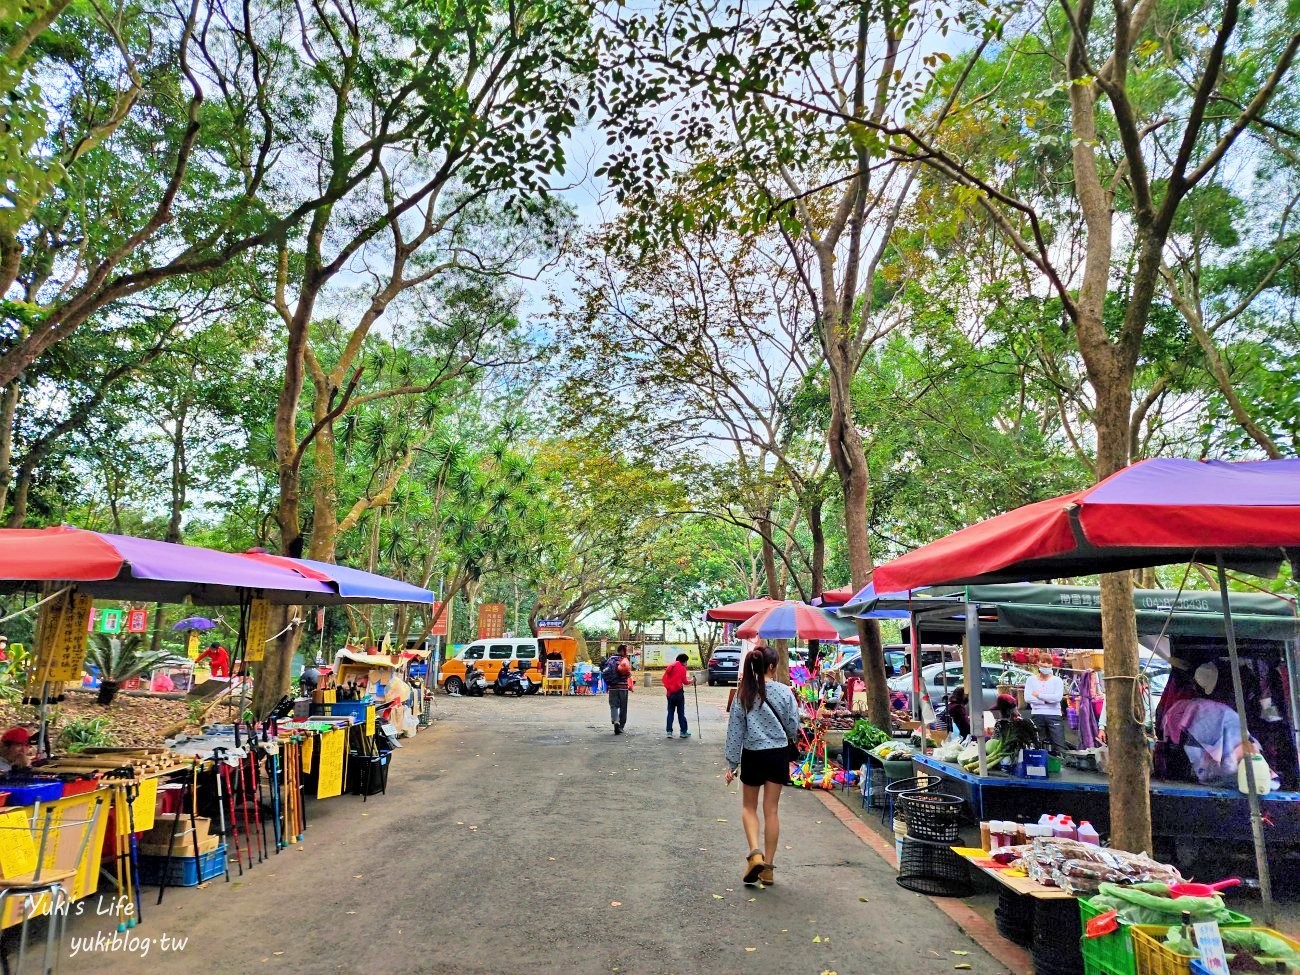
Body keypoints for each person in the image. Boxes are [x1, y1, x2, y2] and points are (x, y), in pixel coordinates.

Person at [723, 645, 800, 888]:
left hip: (753, 754)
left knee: (748, 807)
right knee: (772, 811)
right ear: (770, 667)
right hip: (777, 754)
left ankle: (755, 853)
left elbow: (735, 731)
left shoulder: (744, 693)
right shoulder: (785, 692)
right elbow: (792, 726)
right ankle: (768, 870)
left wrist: (732, 764)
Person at [1024, 660, 1066, 755]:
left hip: (1054, 714)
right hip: (1037, 713)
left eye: (1048, 665)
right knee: (1037, 743)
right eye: (1043, 665)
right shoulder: (1031, 680)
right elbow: (1027, 698)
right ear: (1038, 665)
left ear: (1051, 666)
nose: (1046, 667)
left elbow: (1057, 698)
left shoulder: (1057, 680)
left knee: (1059, 744)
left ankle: (1060, 763)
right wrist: (1047, 700)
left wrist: (1038, 695)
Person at [662, 652, 693, 739]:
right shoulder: (682, 668)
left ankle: (669, 732)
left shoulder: (670, 667)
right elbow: (685, 682)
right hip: (679, 693)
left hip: (669, 693)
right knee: (681, 713)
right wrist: (692, 681)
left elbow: (665, 679)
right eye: (686, 662)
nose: (687, 664)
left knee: (670, 713)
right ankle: (683, 731)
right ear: (683, 661)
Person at [603, 644, 633, 734]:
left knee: (614, 706)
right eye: (626, 650)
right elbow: (628, 673)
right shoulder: (624, 660)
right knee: (623, 707)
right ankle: (621, 726)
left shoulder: (610, 659)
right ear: (623, 651)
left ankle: (616, 721)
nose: (627, 652)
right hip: (623, 687)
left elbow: (605, 672)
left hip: (612, 687)